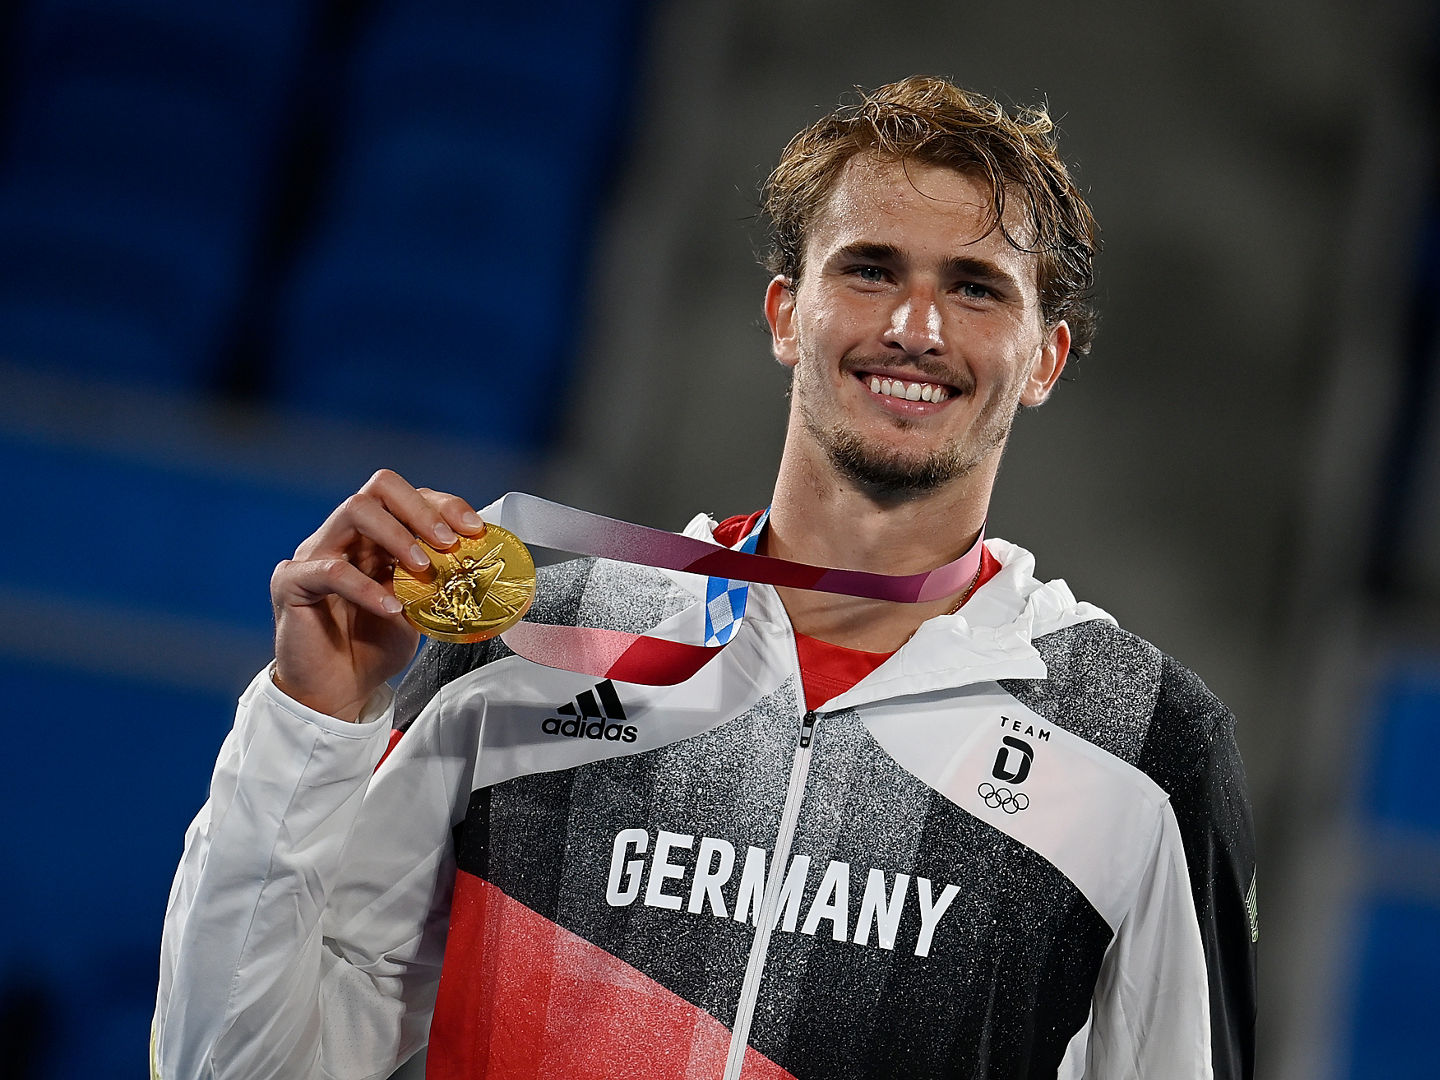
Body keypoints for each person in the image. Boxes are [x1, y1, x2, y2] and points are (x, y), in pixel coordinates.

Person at [153, 76, 1256, 1079]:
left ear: (1045, 359)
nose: (916, 327)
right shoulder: (534, 633)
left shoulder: (1140, 741)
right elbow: (235, 1068)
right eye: (869, 270)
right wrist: (310, 721)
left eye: (976, 289)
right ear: (787, 315)